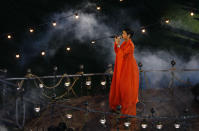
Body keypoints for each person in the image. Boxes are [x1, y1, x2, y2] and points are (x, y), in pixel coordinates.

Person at [109, 28, 139, 117]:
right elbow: (118, 52)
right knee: (121, 85)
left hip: (129, 68)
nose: (122, 35)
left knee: (126, 87)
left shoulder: (130, 45)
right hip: (124, 67)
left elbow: (121, 54)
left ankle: (126, 106)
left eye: (124, 33)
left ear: (128, 35)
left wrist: (117, 44)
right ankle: (121, 103)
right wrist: (117, 44)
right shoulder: (124, 43)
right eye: (122, 33)